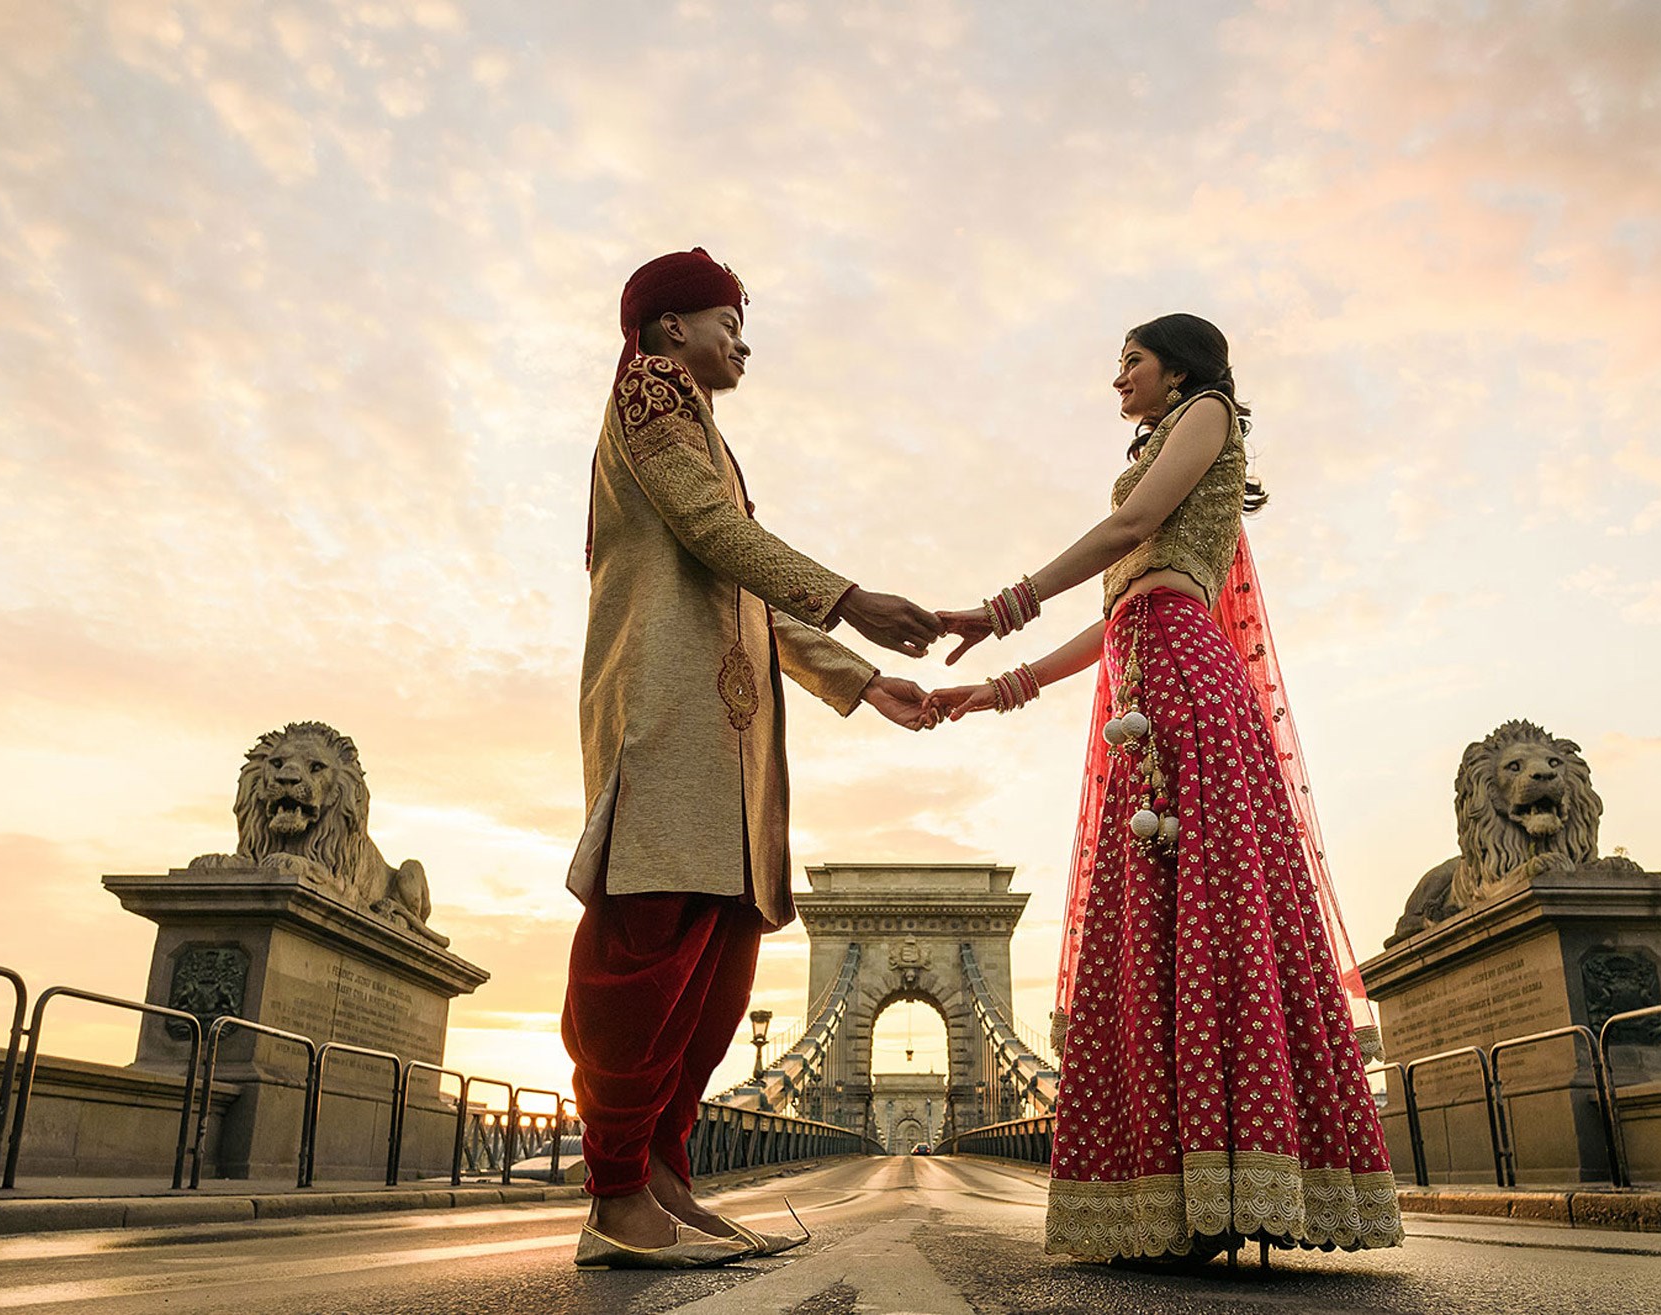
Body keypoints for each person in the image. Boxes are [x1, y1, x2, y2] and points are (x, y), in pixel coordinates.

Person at [929, 314, 1403, 1263]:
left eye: (1129, 364)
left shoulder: (1211, 413)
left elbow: (1133, 530)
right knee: (1148, 930)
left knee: (1206, 916)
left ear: (1178, 367)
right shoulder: (1160, 451)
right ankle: (1182, 1200)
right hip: (1141, 684)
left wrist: (1001, 607)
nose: (1117, 384)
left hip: (1185, 681)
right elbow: (1116, 608)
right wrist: (993, 691)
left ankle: (1228, 1188)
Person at [563, 248, 942, 1270]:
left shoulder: (707, 437)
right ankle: (612, 1194)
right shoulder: (648, 393)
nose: (743, 338)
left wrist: (859, 679)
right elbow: (706, 529)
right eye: (729, 317)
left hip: (732, 743)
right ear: (668, 325)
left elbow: (750, 587)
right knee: (644, 955)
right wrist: (853, 596)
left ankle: (663, 1181)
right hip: (668, 716)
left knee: (714, 973)